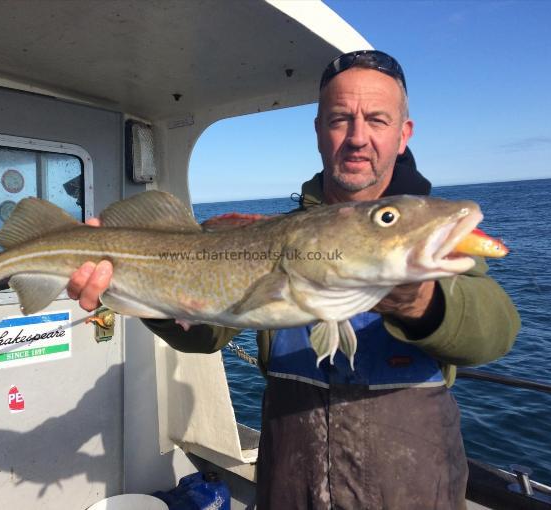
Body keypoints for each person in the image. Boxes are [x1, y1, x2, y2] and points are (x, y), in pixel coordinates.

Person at [67, 50, 520, 509]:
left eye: (377, 120)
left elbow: (495, 333)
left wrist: (420, 303)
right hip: (290, 483)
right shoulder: (274, 237)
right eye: (341, 119)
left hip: (411, 490)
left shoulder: (428, 241)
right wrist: (144, 292)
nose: (358, 138)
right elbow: (206, 334)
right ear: (320, 131)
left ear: (403, 135)